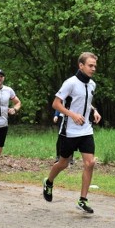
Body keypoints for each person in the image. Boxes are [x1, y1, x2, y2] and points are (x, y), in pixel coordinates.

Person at [42, 52, 101, 213]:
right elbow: (56, 104)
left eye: (95, 66)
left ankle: (82, 200)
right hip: (69, 130)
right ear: (81, 66)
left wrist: (94, 111)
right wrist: (72, 115)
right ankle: (48, 181)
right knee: (64, 163)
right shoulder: (70, 83)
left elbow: (86, 102)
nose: (93, 68)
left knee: (90, 163)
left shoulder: (92, 85)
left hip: (86, 130)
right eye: (90, 65)